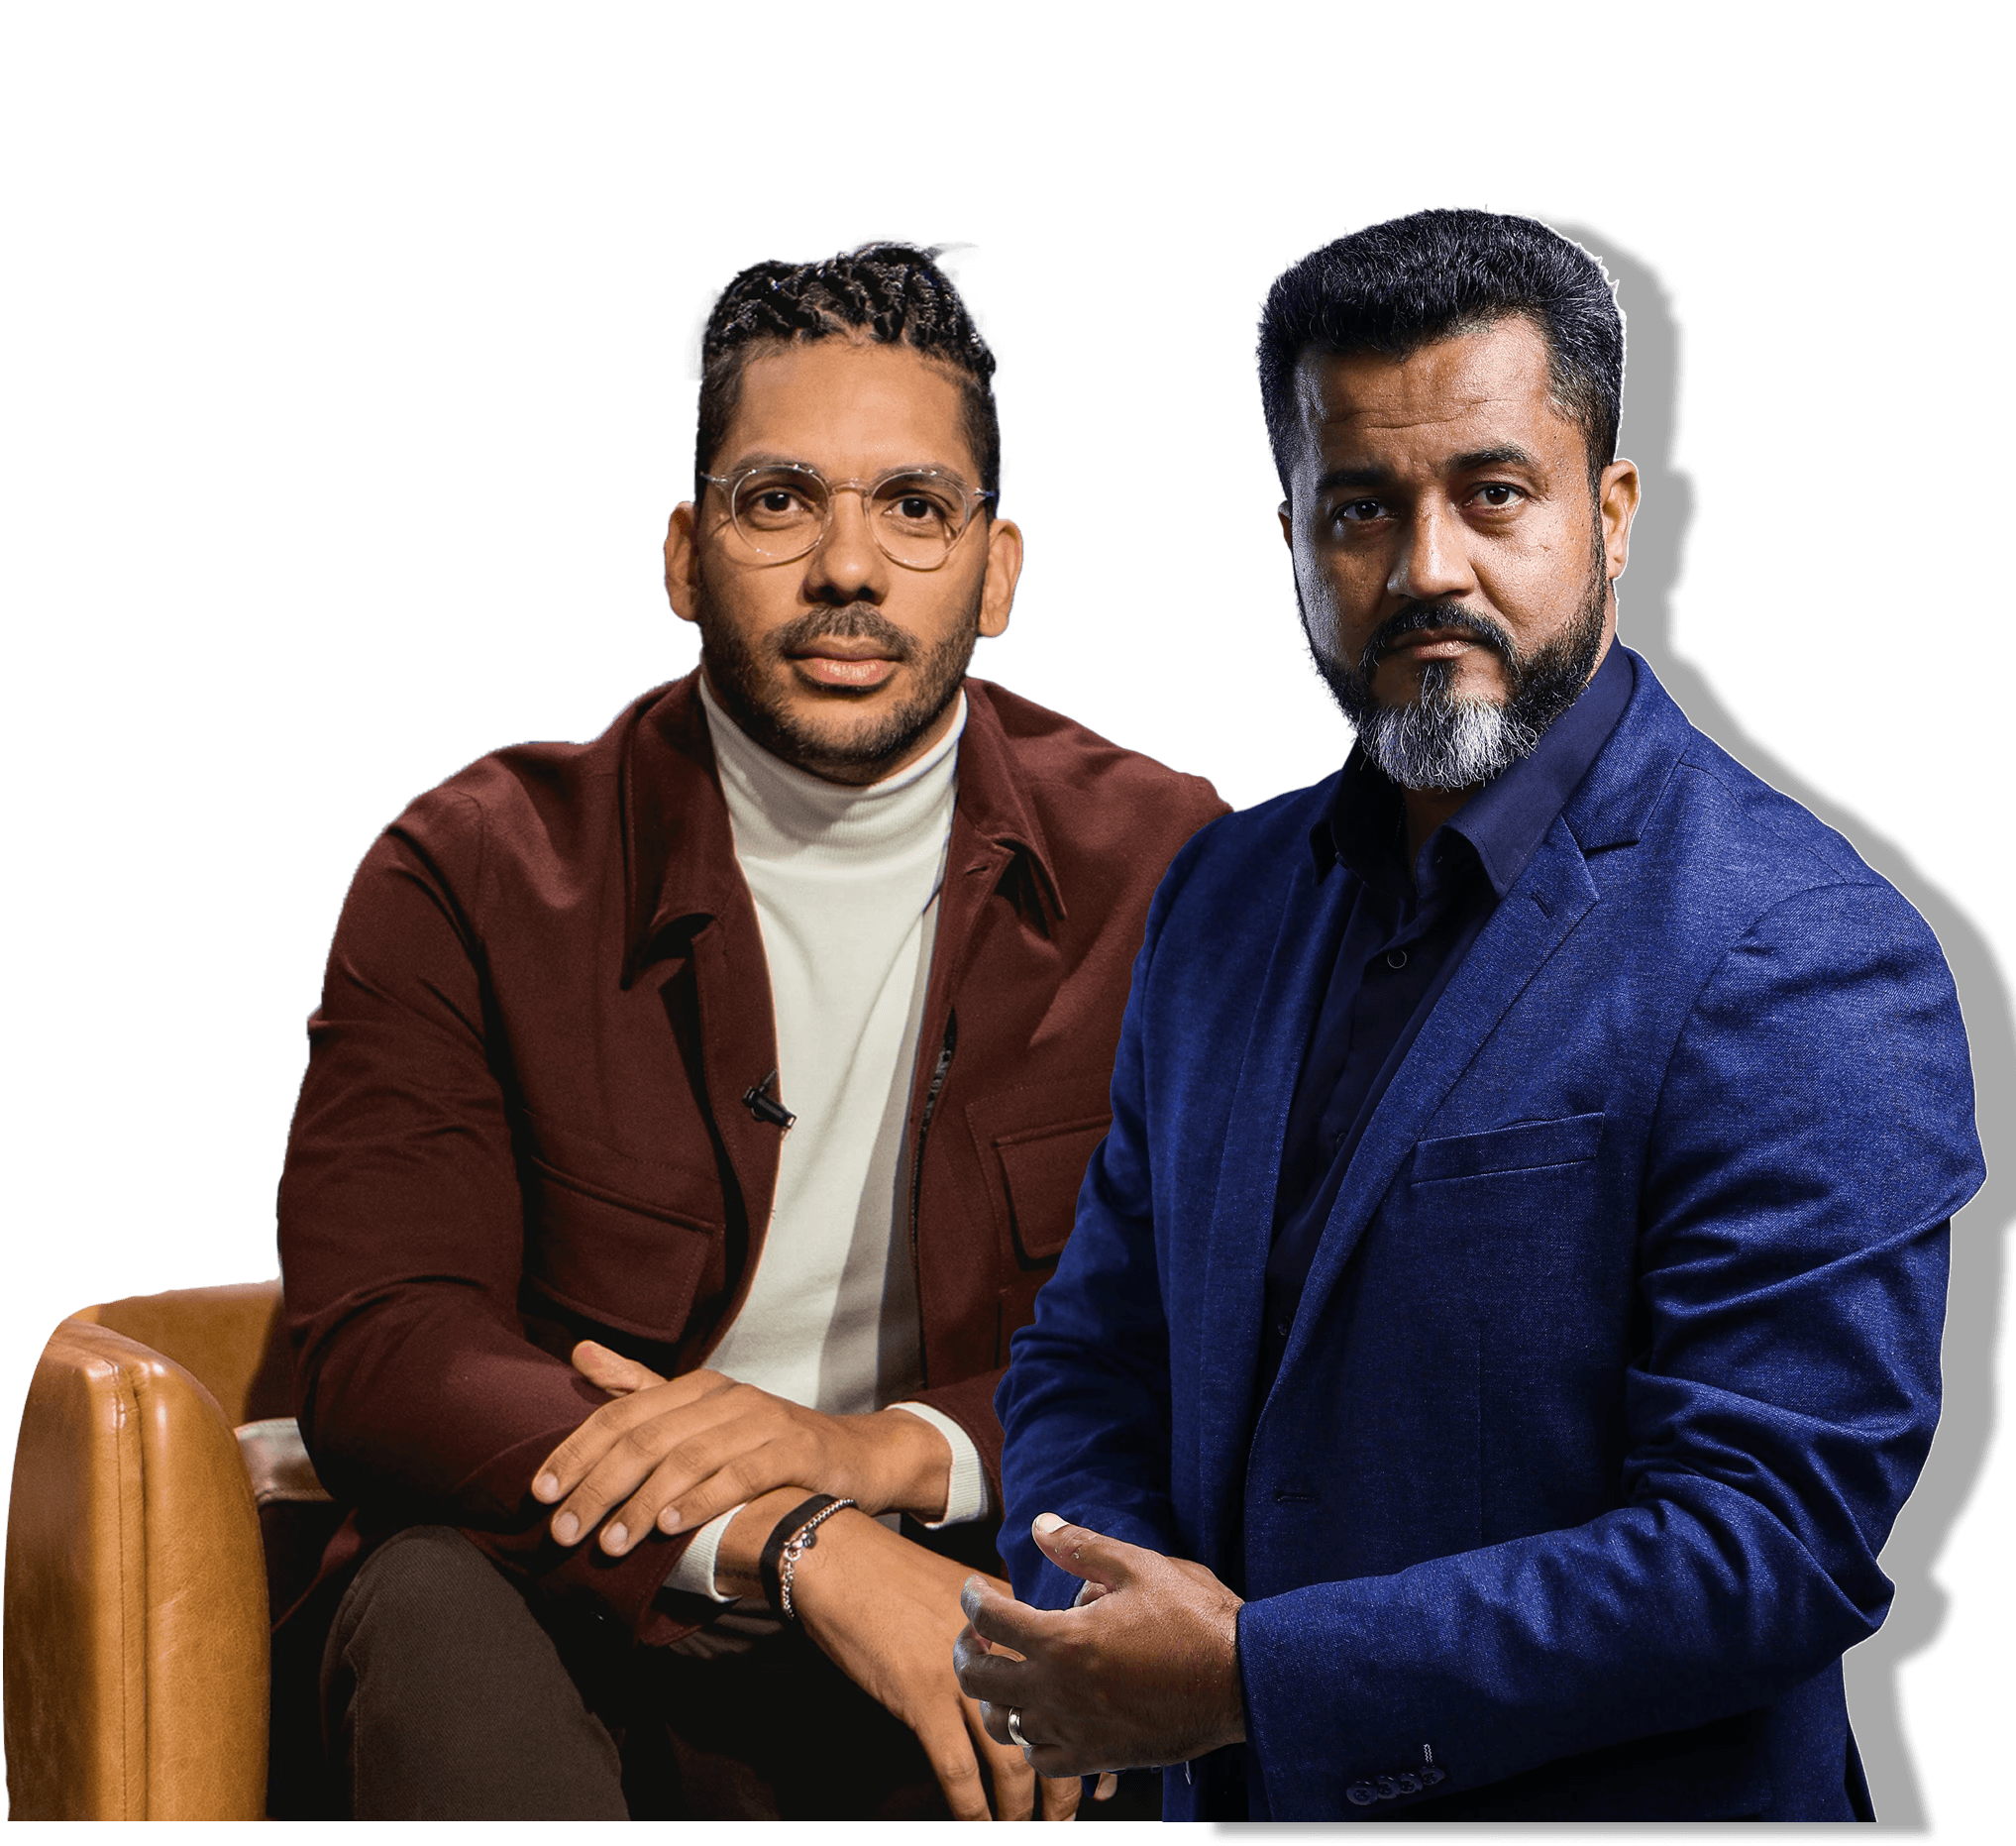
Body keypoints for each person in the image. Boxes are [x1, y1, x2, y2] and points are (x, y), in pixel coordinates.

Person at [954, 206, 1985, 1825]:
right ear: (1288, 533)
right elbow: (1094, 1351)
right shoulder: (1217, 897)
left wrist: (1245, 1680)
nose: (1426, 567)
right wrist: (1090, 1608)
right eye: (1360, 506)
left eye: (1491, 493)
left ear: (1615, 514)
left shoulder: (1804, 946)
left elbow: (1769, 1543)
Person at [275, 234, 1226, 1820]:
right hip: (571, 1601)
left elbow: (1226, 1323)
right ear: (682, 551)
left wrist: (886, 1457)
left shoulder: (1169, 866)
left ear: (995, 570)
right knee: (429, 1601)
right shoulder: (472, 867)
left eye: (913, 508)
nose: (846, 566)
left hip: (970, 1595)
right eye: (779, 500)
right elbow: (380, 1344)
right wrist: (795, 1533)